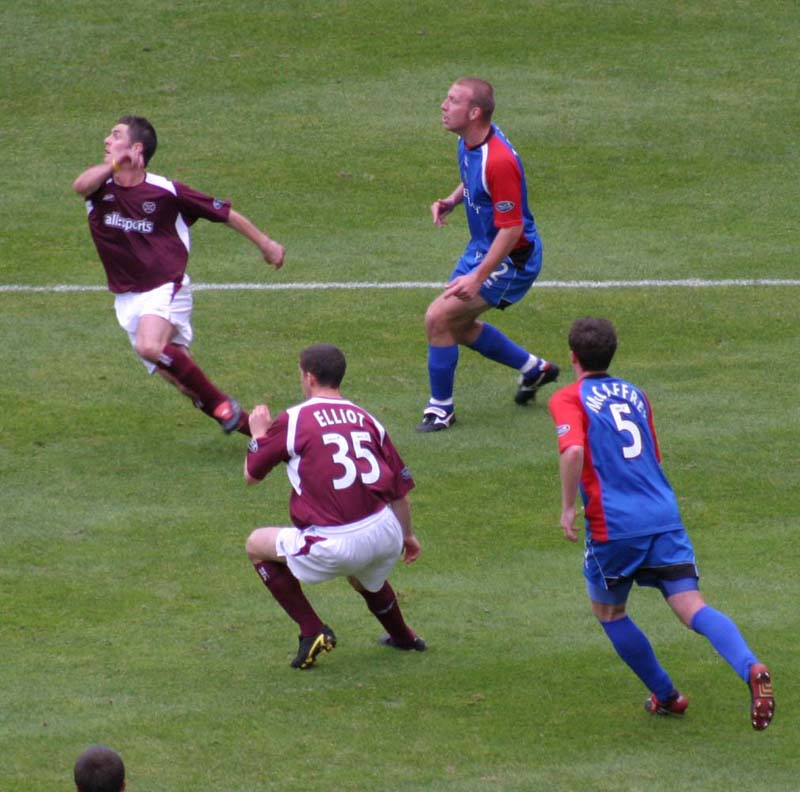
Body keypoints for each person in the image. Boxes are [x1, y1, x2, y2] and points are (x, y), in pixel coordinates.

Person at [548, 317, 775, 730]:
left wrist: (567, 507)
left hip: (614, 524)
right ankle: (750, 666)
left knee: (610, 612)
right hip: (663, 515)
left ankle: (667, 695)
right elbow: (652, 456)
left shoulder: (568, 397)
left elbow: (573, 451)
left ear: (573, 356)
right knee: (692, 607)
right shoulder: (637, 395)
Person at [72, 115, 286, 435]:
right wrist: (115, 164)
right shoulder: (100, 189)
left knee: (148, 346)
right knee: (187, 386)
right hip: (127, 299)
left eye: (115, 135)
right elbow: (80, 185)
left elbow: (224, 212)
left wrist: (266, 244)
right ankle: (265, 437)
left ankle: (222, 403)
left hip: (165, 288)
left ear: (136, 148)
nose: (107, 140)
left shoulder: (166, 191)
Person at [244, 343, 425, 669]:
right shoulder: (367, 418)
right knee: (363, 576)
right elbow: (401, 492)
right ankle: (405, 637)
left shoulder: (295, 419)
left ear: (310, 378)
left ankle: (311, 629)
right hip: (385, 532)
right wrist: (407, 535)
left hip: (335, 543)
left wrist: (258, 435)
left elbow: (252, 475)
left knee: (256, 545)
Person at [417, 77, 558, 432]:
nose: (443, 106)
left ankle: (440, 409)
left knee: (438, 317)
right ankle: (535, 369)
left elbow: (512, 230)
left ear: (474, 112)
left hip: (512, 258)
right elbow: (475, 177)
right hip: (483, 246)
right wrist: (453, 200)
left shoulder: (500, 161)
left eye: (453, 100)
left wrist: (477, 277)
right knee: (458, 325)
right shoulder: (469, 141)